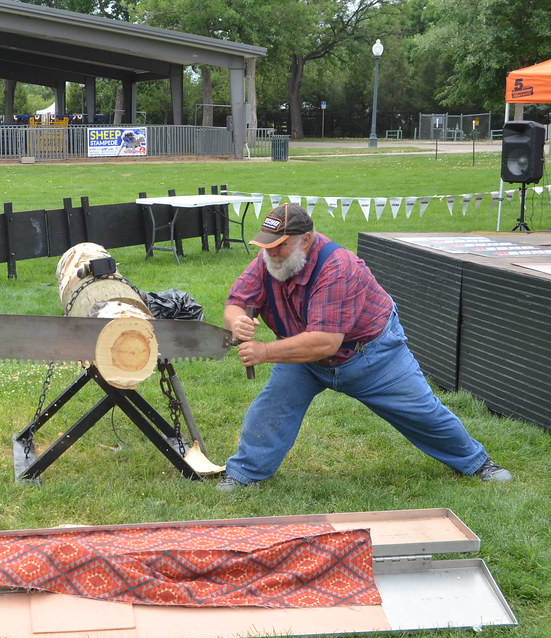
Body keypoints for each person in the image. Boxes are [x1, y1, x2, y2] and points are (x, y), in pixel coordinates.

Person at [217, 202, 512, 491]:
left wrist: (265, 351)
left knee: (422, 412)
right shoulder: (268, 259)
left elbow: (325, 342)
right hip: (303, 356)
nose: (271, 253)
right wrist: (237, 321)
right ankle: (243, 474)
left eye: (280, 245)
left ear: (305, 240)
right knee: (272, 408)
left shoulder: (338, 267)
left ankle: (477, 462)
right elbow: (237, 302)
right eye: (267, 245)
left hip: (371, 354)